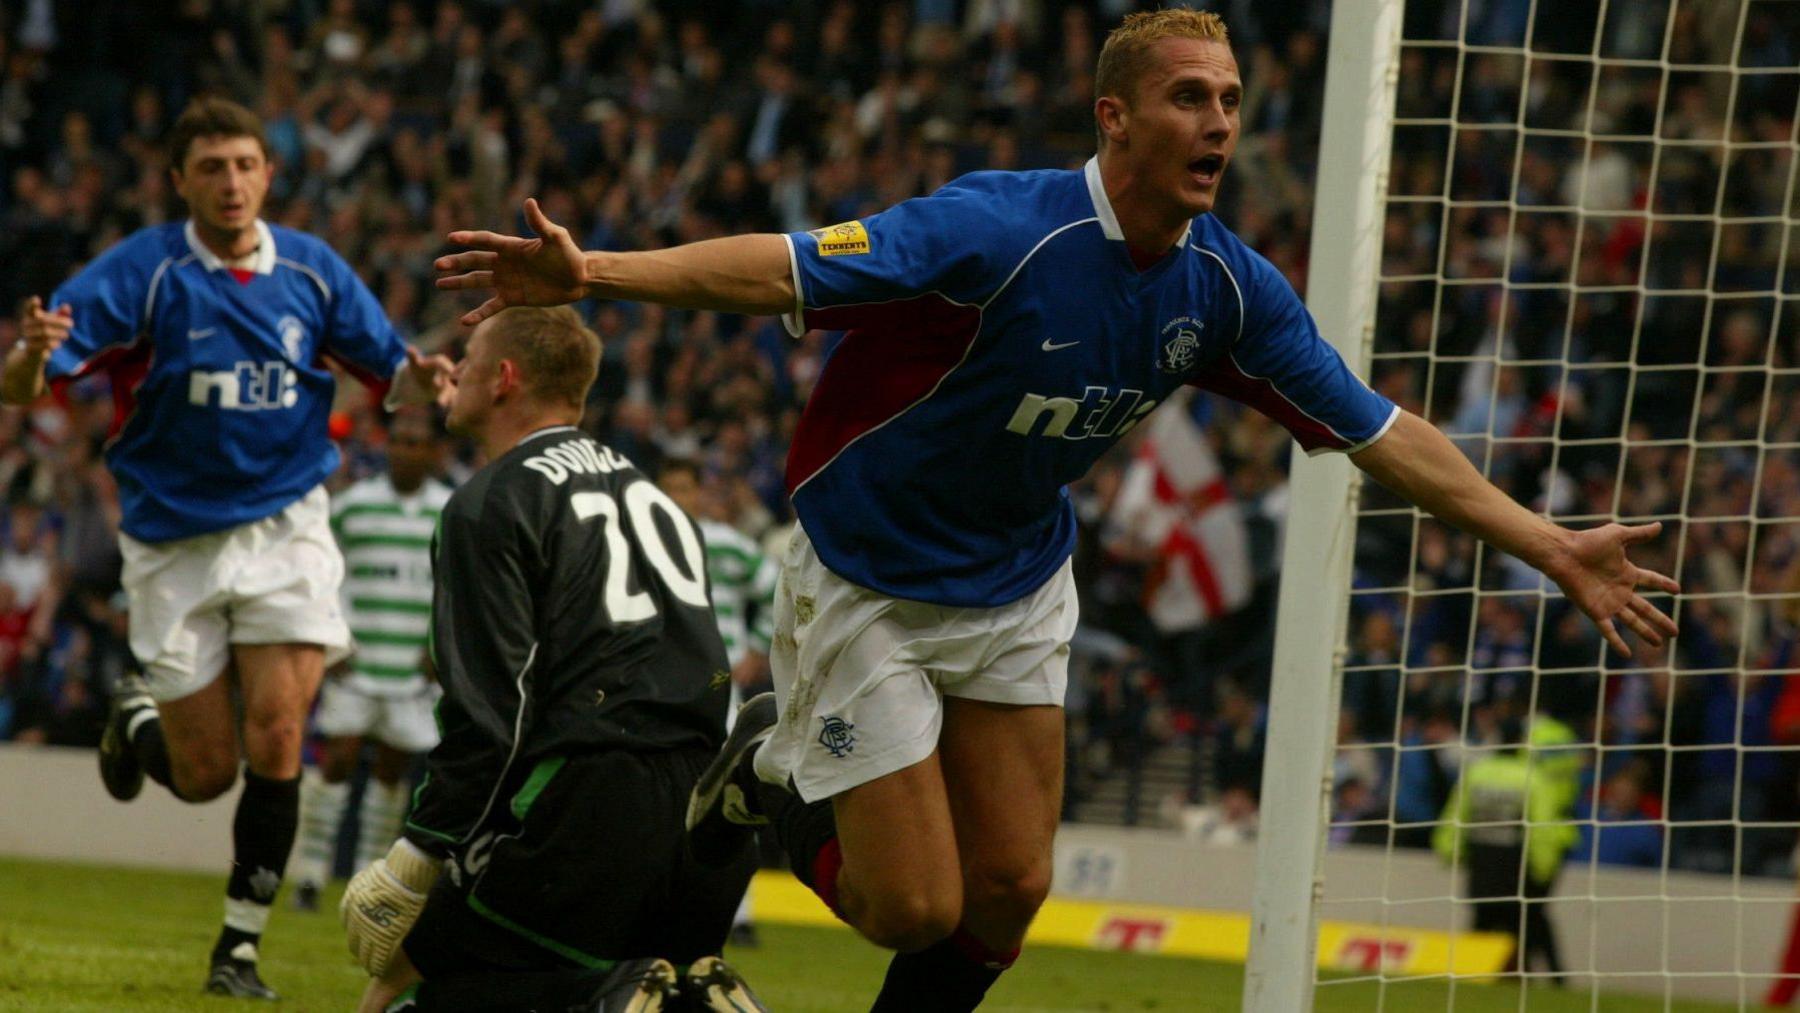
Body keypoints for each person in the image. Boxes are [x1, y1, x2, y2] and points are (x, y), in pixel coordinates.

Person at [434, 10, 1679, 1009]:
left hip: (1018, 578)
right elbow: (786, 266)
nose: (1221, 123)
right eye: (1192, 97)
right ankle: (766, 768)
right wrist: (595, 271)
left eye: (1234, 100)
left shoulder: (1225, 286)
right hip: (864, 568)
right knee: (913, 907)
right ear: (1116, 116)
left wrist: (1548, 541)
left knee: (1013, 893)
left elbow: (1376, 430)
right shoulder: (999, 228)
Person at [0, 97, 450, 999]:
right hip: (173, 544)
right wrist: (26, 354)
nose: (232, 182)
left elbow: (390, 371)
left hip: (286, 526)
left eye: (245, 164)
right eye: (211, 167)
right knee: (205, 774)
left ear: (269, 174)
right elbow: (26, 383)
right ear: (179, 182)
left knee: (280, 731)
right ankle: (140, 722)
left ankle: (237, 948)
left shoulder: (315, 272)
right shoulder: (145, 272)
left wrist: (425, 379)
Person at [340, 306, 765, 1013]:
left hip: (587, 799)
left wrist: (418, 851)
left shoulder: (490, 503)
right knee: (396, 981)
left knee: (416, 997)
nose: (457, 376)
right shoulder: (652, 494)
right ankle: (681, 998)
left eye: (469, 361)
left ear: (504, 378)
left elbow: (492, 717)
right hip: (702, 815)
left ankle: (607, 998)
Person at [290, 408, 451, 912]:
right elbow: (320, 573)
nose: (405, 450)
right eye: (398, 441)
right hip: (357, 662)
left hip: (412, 668)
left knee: (391, 771)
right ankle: (311, 873)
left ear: (434, 452)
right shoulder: (354, 507)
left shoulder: (450, 511)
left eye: (416, 442)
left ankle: (366, 878)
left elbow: (458, 590)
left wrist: (439, 650)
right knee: (336, 760)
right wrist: (331, 641)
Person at [658, 457, 778, 946]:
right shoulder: (639, 542)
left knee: (731, 786)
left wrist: (757, 645)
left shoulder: (725, 546)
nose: (676, 498)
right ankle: (661, 900)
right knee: (663, 789)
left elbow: (777, 586)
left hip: (715, 684)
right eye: (667, 488)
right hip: (657, 684)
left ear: (698, 493)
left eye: (684, 488)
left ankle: (740, 914)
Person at [1433, 718, 1579, 985]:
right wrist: (1543, 866)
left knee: (1483, 916)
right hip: (1516, 859)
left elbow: (1456, 813)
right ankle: (1536, 977)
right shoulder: (1531, 778)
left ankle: (1472, 974)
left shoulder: (1477, 773)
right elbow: (1541, 826)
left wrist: (1449, 850)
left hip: (1481, 855)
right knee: (1523, 920)